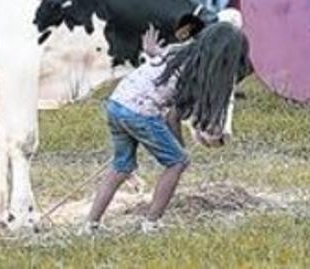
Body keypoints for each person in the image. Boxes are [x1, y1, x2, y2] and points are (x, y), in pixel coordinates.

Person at [85, 22, 251, 233]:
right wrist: (179, 149)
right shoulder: (195, 75)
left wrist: (153, 52)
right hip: (140, 113)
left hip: (117, 104)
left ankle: (91, 224)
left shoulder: (177, 52)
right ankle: (151, 223)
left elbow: (160, 59)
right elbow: (172, 117)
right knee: (177, 163)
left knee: (121, 167)